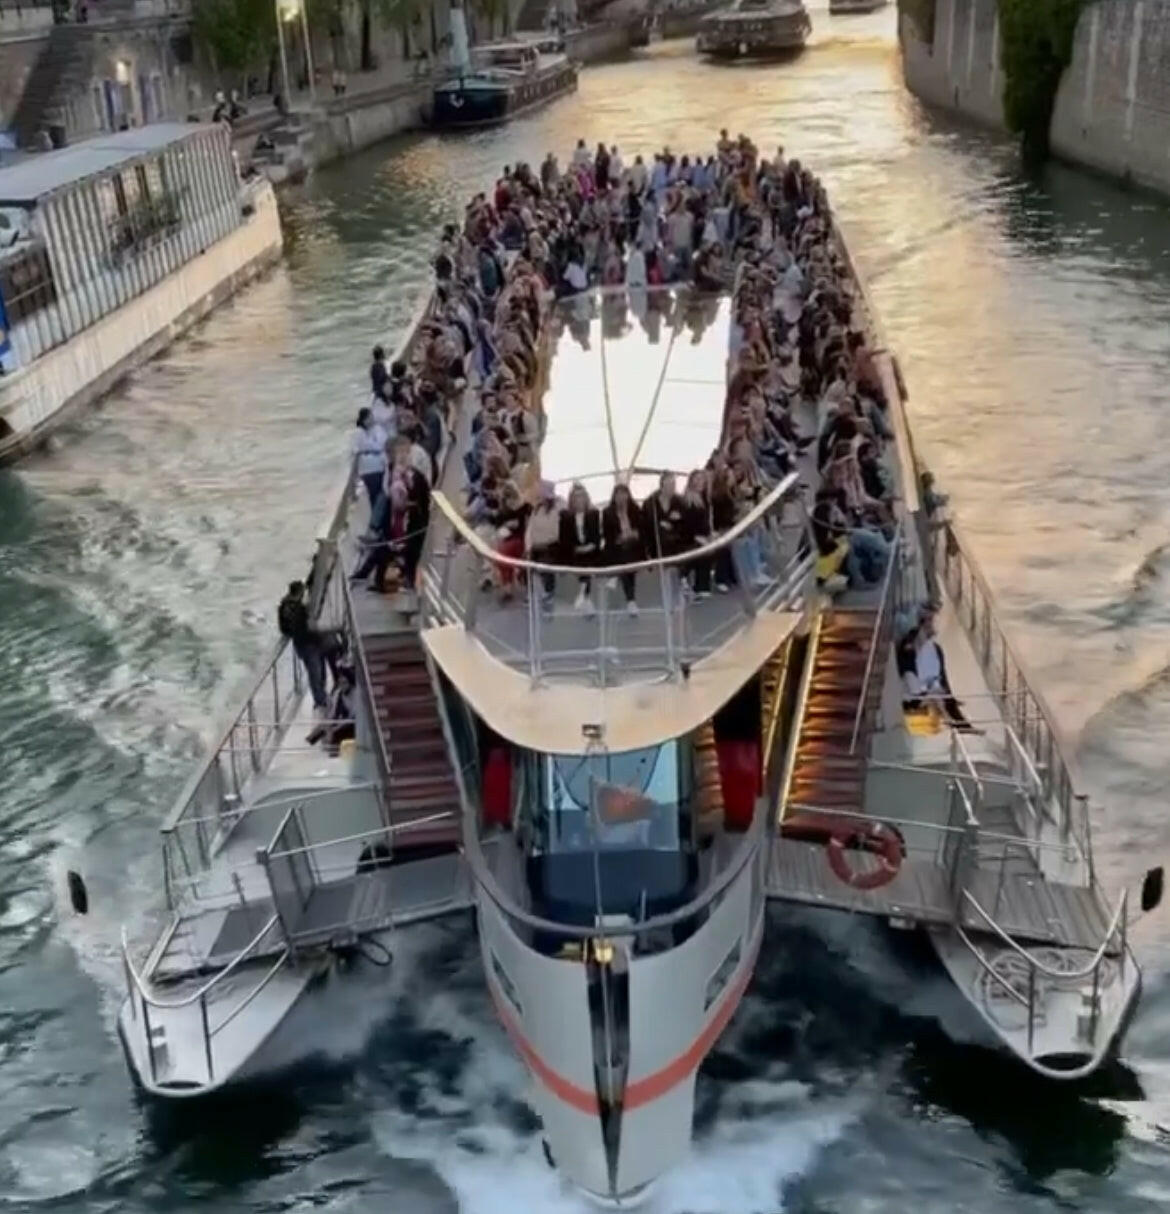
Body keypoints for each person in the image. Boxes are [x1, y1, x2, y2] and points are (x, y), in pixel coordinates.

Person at [897, 611, 975, 732]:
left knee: (945, 698)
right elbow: (910, 646)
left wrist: (950, 695)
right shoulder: (912, 642)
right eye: (929, 624)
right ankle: (953, 724)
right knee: (938, 697)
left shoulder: (936, 649)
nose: (932, 627)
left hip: (932, 688)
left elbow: (943, 675)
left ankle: (964, 726)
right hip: (918, 694)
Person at [278, 580, 329, 714]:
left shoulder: (289, 606)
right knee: (315, 672)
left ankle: (321, 696)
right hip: (308, 642)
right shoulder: (295, 607)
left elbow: (285, 628)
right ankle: (320, 699)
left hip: (306, 642)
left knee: (316, 671)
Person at [601, 482, 643, 615]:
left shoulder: (635, 510)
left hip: (634, 545)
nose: (622, 498)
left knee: (628, 556)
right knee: (625, 558)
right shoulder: (608, 513)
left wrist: (633, 534)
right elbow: (608, 536)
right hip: (616, 547)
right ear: (614, 497)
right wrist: (620, 538)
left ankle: (616, 575)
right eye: (619, 495)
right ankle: (631, 600)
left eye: (624, 494)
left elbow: (642, 530)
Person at [559, 482, 601, 614]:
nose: (579, 500)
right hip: (575, 552)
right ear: (572, 500)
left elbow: (596, 538)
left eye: (581, 497)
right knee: (581, 563)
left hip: (591, 550)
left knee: (589, 561)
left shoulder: (593, 514)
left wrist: (590, 547)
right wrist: (576, 549)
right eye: (576, 498)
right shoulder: (566, 517)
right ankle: (585, 598)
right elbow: (564, 540)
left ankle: (584, 595)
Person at [526, 480, 563, 611]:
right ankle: (532, 593)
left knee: (546, 562)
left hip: (552, 545)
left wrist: (545, 542)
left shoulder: (558, 508)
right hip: (536, 546)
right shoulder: (536, 510)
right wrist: (529, 547)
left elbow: (556, 531)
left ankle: (549, 593)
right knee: (526, 563)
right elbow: (530, 530)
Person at [351, 407, 387, 510]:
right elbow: (366, 446)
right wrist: (374, 446)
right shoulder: (359, 433)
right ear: (364, 420)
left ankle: (378, 517)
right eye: (369, 418)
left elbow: (382, 443)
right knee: (374, 493)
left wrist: (372, 447)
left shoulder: (377, 429)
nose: (372, 419)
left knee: (380, 493)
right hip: (368, 469)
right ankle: (376, 519)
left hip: (379, 466)